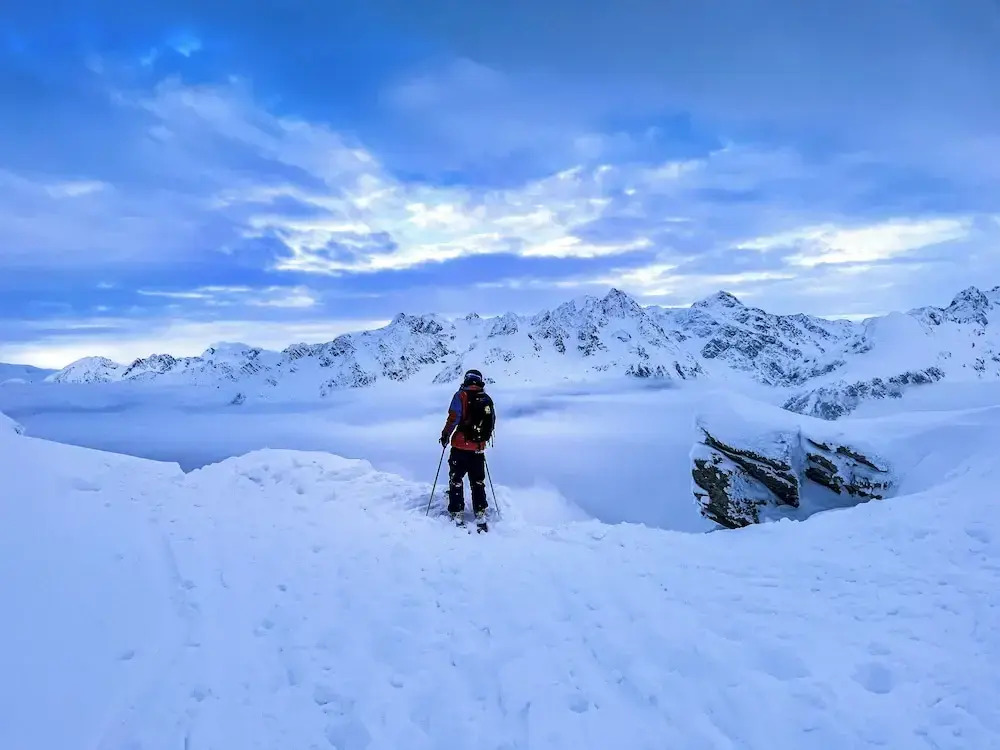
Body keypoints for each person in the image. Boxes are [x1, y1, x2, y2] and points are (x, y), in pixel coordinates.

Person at [439, 368, 495, 527]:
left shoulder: (460, 396)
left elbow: (454, 418)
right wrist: (481, 441)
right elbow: (491, 423)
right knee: (478, 480)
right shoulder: (486, 398)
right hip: (478, 448)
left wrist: (445, 435)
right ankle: (480, 510)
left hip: (460, 446)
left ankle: (457, 511)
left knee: (456, 478)